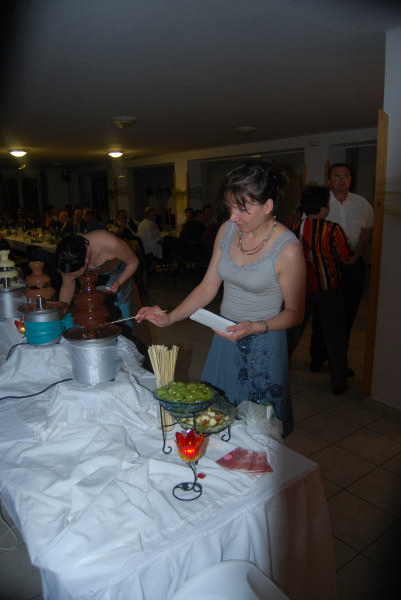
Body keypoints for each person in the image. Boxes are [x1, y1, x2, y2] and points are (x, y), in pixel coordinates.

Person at [137, 160, 306, 437]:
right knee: (217, 418)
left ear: (268, 205)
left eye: (242, 209)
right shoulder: (227, 231)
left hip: (263, 341)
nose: (233, 217)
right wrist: (170, 317)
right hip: (226, 333)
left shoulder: (287, 249)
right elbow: (207, 287)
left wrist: (255, 326)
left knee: (256, 428)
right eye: (230, 207)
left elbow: (295, 312)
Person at [288, 186, 355, 394]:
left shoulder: (294, 227)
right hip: (328, 288)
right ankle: (339, 381)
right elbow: (347, 256)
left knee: (291, 335)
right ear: (323, 207)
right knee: (335, 337)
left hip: (300, 289)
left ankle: (278, 374)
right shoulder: (332, 229)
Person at [311, 163, 374, 374]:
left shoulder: (362, 203)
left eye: (345, 176)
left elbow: (367, 232)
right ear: (329, 180)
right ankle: (317, 357)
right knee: (323, 314)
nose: (341, 179)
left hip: (353, 264)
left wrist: (355, 254)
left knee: (347, 314)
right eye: (336, 176)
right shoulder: (321, 202)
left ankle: (338, 362)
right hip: (326, 265)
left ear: (350, 179)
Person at [55, 231, 151, 352]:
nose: (72, 278)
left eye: (74, 275)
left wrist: (118, 282)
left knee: (131, 335)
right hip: (92, 297)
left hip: (120, 292)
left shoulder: (111, 243)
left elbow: (133, 262)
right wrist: (60, 314)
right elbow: (68, 286)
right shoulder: (67, 256)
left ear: (86, 260)